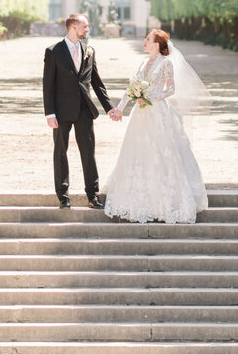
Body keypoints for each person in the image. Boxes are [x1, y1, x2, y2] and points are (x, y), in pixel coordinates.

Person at [103, 29, 209, 224]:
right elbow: (131, 89)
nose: (144, 41)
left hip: (158, 112)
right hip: (140, 114)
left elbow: (171, 88)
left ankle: (166, 202)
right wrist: (119, 109)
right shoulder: (143, 63)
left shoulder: (165, 63)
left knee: (162, 152)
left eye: (148, 39)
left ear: (157, 44)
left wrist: (150, 97)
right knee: (137, 151)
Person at [41, 12, 120, 209]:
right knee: (60, 152)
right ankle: (63, 196)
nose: (88, 29)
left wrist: (110, 108)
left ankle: (92, 195)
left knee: (89, 153)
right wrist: (49, 113)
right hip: (60, 111)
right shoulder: (53, 51)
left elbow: (97, 83)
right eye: (85, 26)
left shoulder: (90, 50)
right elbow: (47, 85)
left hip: (85, 110)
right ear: (73, 27)